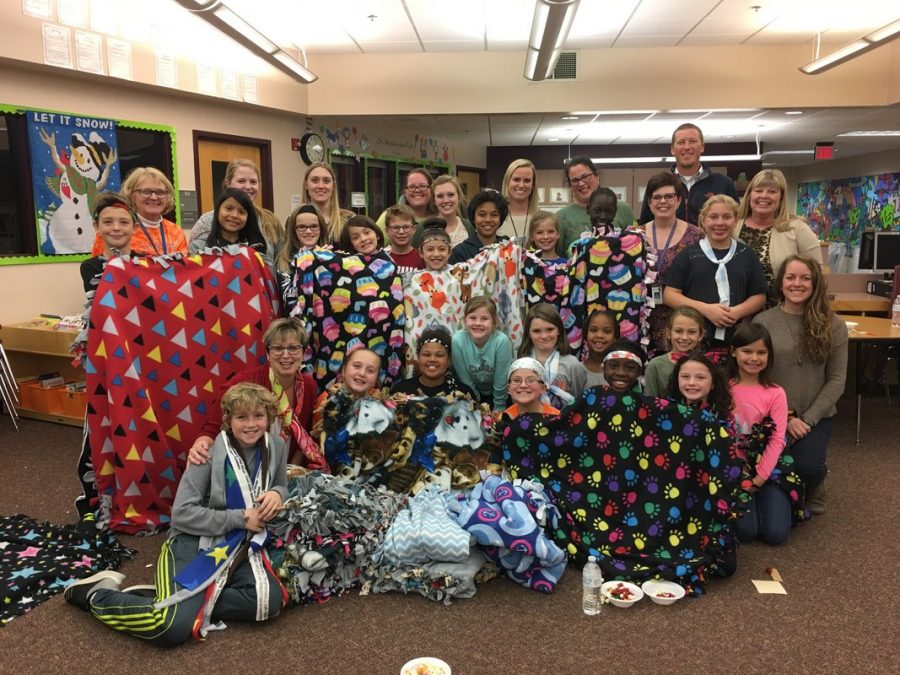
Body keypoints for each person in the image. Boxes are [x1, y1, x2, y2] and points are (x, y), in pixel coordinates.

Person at [65, 382, 287, 646]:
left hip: (239, 543)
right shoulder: (206, 454)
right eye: (242, 417)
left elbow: (281, 483)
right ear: (227, 419)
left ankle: (174, 598)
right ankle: (95, 595)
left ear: (268, 418)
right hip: (194, 541)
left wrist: (278, 493)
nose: (251, 424)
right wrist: (241, 518)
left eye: (258, 416)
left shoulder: (275, 446)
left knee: (268, 601)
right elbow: (182, 514)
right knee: (170, 627)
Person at [754, 256, 847, 515]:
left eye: (805, 278)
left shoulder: (834, 325)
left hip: (814, 416)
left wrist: (807, 419)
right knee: (764, 466)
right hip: (772, 415)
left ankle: (816, 482)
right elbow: (755, 375)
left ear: (815, 283)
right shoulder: (763, 322)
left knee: (807, 466)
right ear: (781, 283)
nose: (798, 283)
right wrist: (786, 417)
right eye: (791, 277)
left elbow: (837, 380)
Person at [189, 318, 325, 471]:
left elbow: (303, 436)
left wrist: (289, 472)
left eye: (293, 348)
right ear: (268, 353)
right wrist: (201, 444)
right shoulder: (241, 383)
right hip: (243, 470)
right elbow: (213, 429)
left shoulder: (309, 387)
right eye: (278, 348)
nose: (286, 355)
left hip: (285, 472)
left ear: (303, 353)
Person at [663, 195, 766, 348]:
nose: (720, 223)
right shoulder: (688, 254)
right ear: (703, 220)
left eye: (726, 217)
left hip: (736, 339)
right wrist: (705, 310)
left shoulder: (747, 254)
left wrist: (736, 312)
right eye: (713, 217)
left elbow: (759, 296)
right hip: (694, 339)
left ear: (735, 220)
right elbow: (669, 295)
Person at [727, 323, 791, 545]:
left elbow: (777, 439)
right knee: (746, 532)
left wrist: (759, 479)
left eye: (761, 352)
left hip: (767, 469)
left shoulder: (775, 393)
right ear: (733, 351)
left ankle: (774, 501)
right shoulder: (722, 387)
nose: (754, 358)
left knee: (775, 535)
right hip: (733, 470)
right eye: (747, 351)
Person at [736, 169, 823, 308]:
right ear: (749, 195)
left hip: (782, 313)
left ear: (781, 198)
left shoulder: (797, 229)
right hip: (736, 313)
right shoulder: (732, 227)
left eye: (772, 192)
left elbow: (817, 274)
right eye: (758, 190)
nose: (764, 196)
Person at [642, 172, 703, 353]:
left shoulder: (696, 236)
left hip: (682, 322)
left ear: (678, 201)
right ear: (649, 203)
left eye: (669, 196)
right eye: (657, 197)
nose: (663, 201)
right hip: (643, 320)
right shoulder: (634, 235)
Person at [638, 123, 739, 225]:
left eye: (693, 141)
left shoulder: (723, 184)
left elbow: (736, 222)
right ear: (673, 149)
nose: (687, 147)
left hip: (710, 241)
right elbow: (645, 225)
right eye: (681, 142)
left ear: (702, 147)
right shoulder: (658, 185)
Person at [188, 159, 282, 255]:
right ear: (228, 183)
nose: (248, 186)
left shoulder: (270, 220)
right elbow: (194, 261)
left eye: (253, 182)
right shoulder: (206, 221)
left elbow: (281, 259)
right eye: (241, 181)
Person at [90, 167, 187, 256]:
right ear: (131, 195)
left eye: (160, 192)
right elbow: (103, 269)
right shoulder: (117, 230)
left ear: (168, 197)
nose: (154, 197)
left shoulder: (175, 231)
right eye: (146, 192)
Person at [557, 157, 636, 255]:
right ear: (570, 185)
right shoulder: (561, 217)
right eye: (575, 180)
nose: (581, 183)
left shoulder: (623, 209)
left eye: (585, 176)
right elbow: (557, 258)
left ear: (597, 176)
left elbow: (636, 245)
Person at [451, 295, 514, 412]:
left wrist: (499, 409)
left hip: (500, 395)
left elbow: (501, 380)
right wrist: (477, 405)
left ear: (494, 322)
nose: (478, 323)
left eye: (484, 319)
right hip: (471, 394)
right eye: (472, 318)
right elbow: (465, 379)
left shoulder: (502, 341)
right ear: (465, 320)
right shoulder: (458, 340)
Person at [518, 303, 585, 409]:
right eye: (537, 331)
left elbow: (579, 402)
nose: (544, 336)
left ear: (558, 330)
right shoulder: (522, 364)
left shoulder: (572, 365)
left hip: (563, 422)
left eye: (550, 329)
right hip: (530, 422)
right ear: (528, 334)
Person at [189, 188, 273, 266]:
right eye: (229, 209)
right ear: (218, 210)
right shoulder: (199, 247)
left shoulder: (257, 247)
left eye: (241, 212)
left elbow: (267, 279)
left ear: (248, 217)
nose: (234, 215)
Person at [391, 327, 476, 398]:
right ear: (418, 358)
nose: (432, 359)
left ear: (449, 360)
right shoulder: (401, 392)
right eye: (426, 354)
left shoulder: (464, 394)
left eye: (439, 355)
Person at [80, 192, 139, 293]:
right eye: (108, 222)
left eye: (124, 222)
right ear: (96, 226)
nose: (116, 228)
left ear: (135, 227)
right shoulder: (90, 267)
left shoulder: (146, 263)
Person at [644, 307, 705, 397]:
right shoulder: (655, 366)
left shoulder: (707, 365)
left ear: (700, 335)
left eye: (691, 332)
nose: (684, 337)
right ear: (668, 333)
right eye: (678, 331)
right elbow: (650, 403)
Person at [275, 204, 330, 304]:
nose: (308, 231)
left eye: (314, 226)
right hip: (296, 319)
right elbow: (289, 299)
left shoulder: (331, 257)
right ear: (293, 231)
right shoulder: (284, 261)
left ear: (321, 229)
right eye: (302, 227)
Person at [414, 174, 474, 249]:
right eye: (440, 196)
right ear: (434, 201)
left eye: (451, 195)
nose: (446, 200)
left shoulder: (469, 227)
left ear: (459, 197)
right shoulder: (422, 228)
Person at [450, 188, 509, 264]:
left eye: (494, 215)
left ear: (501, 219)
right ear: (473, 218)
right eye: (482, 214)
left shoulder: (509, 248)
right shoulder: (460, 252)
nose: (488, 219)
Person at [667, 350, 733, 416]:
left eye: (700, 377)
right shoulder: (666, 412)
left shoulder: (725, 417)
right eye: (685, 376)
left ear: (713, 383)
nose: (691, 383)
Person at [301, 162, 352, 245]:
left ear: (334, 186)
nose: (321, 186)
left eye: (326, 181)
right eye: (315, 180)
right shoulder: (294, 221)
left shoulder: (349, 219)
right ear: (306, 185)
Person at [500, 158, 538, 244]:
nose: (521, 185)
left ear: (533, 185)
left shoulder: (541, 218)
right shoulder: (496, 218)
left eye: (527, 180)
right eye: (516, 179)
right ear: (507, 182)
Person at [580, 310, 619, 388]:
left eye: (607, 331)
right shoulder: (576, 370)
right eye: (593, 330)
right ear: (586, 334)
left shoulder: (621, 373)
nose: (599, 335)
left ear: (615, 337)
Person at [383, 203, 424, 273]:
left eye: (406, 227)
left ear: (414, 229)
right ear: (387, 231)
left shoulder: (422, 258)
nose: (401, 232)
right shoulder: (381, 258)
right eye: (395, 227)